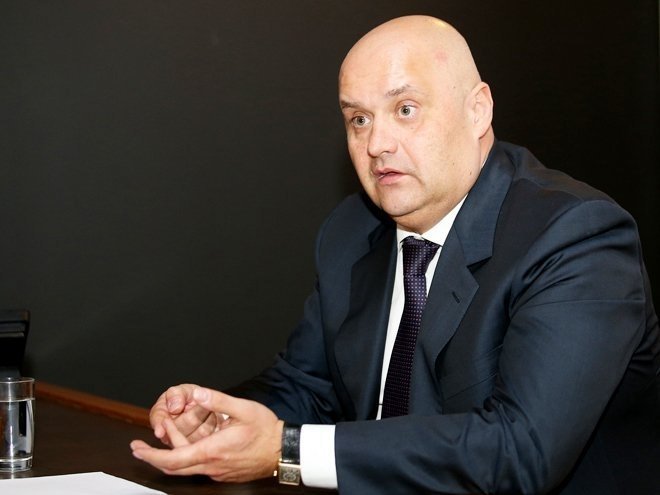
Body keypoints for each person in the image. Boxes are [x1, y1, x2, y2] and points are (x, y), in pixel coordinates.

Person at [130, 15, 660, 493]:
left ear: (477, 110)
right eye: (358, 119)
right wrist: (221, 422)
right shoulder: (353, 229)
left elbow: (520, 451)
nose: (376, 143)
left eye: (405, 110)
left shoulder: (575, 236)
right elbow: (307, 386)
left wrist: (287, 452)